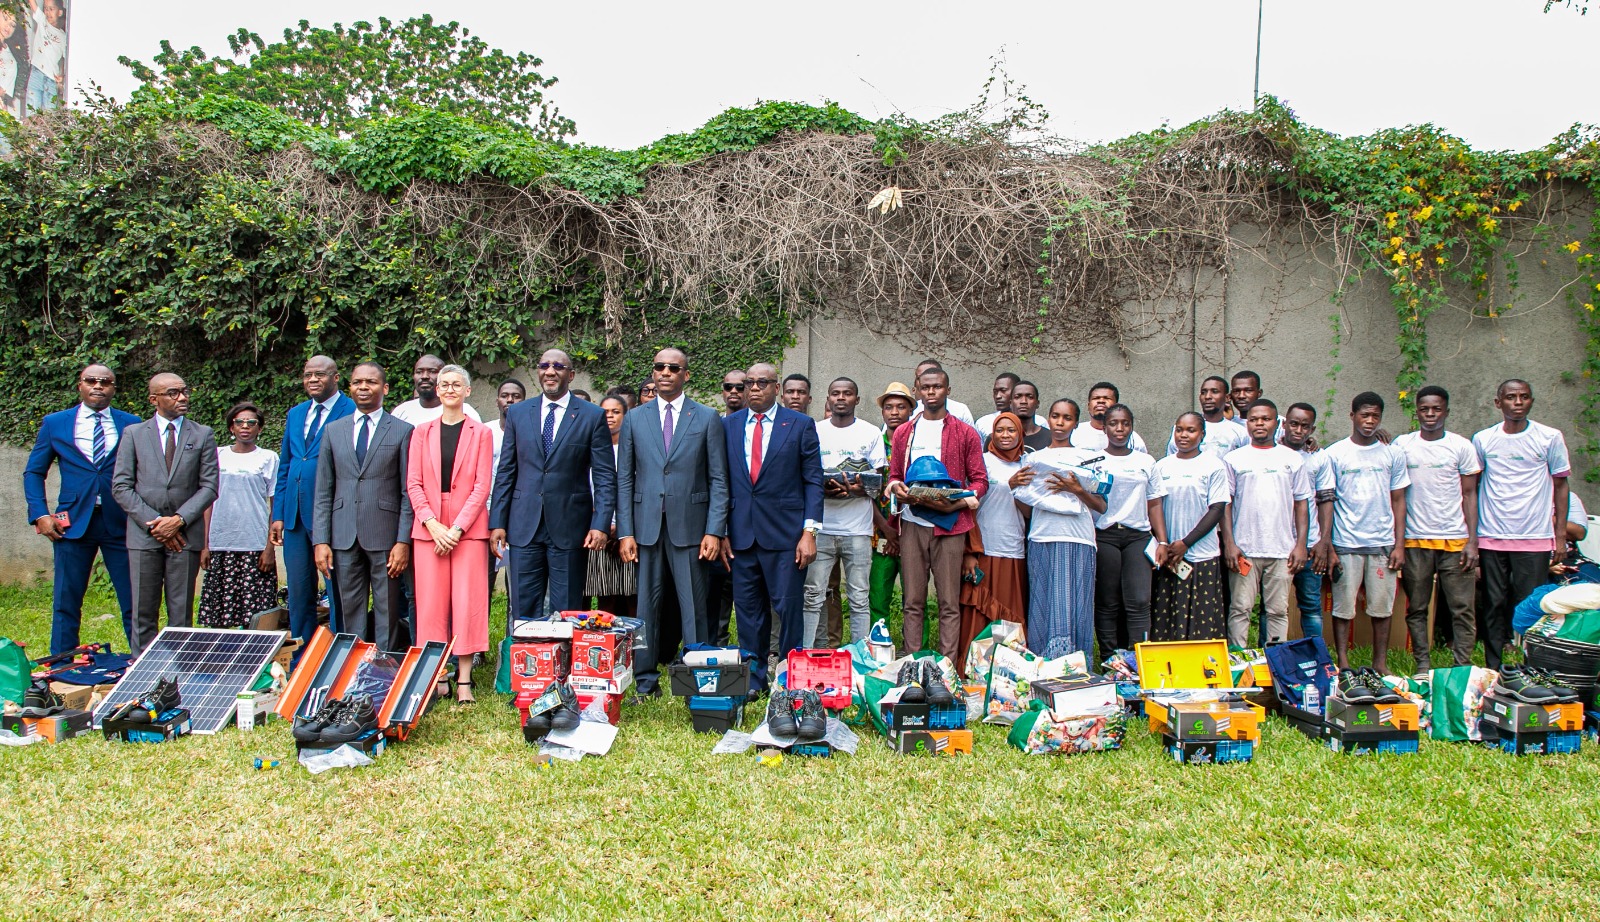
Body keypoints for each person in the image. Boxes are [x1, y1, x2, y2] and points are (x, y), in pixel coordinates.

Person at [617, 348, 729, 696]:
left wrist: (714, 529)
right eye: (659, 367)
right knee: (646, 606)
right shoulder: (636, 418)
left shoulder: (707, 417)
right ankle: (645, 682)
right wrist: (626, 532)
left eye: (673, 368)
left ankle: (699, 681)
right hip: (646, 527)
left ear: (686, 375)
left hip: (692, 527)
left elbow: (718, 479)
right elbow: (625, 478)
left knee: (693, 606)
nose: (665, 372)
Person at [490, 349, 615, 624]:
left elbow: (605, 476)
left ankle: (563, 664)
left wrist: (601, 524)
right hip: (524, 525)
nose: (550, 371)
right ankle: (527, 666)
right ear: (538, 372)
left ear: (570, 375)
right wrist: (497, 521)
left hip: (571, 527)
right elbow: (506, 470)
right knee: (524, 607)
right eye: (544, 365)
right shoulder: (519, 413)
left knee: (567, 609)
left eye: (558, 366)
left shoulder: (592, 416)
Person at [24, 364, 141, 654]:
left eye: (106, 382)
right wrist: (41, 515)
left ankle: (145, 667)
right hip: (72, 525)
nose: (98, 386)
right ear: (80, 385)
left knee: (135, 602)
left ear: (114, 388)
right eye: (91, 380)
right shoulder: (56, 423)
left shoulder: (133, 424)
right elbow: (34, 472)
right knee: (66, 600)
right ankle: (61, 667)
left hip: (123, 523)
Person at [722, 363, 824, 690]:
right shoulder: (729, 425)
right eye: (747, 383)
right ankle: (754, 681)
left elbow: (813, 482)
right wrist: (721, 530)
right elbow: (720, 481)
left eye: (761, 383)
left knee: (788, 608)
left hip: (786, 535)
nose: (753, 389)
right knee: (749, 612)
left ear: (776, 388)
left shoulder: (799, 424)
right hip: (741, 535)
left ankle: (789, 678)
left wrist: (810, 533)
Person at [111, 374, 219, 655]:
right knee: (142, 610)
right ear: (154, 400)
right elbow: (121, 486)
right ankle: (142, 673)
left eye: (184, 391)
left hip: (185, 536)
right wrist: (155, 525)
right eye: (173, 393)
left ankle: (179, 675)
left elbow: (209, 487)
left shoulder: (202, 434)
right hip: (144, 536)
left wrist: (178, 521)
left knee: (181, 612)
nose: (182, 398)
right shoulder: (134, 434)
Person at [407, 365, 494, 703]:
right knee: (430, 604)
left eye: (456, 384)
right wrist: (432, 523)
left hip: (467, 529)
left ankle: (465, 680)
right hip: (429, 528)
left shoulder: (480, 433)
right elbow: (413, 483)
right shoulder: (421, 432)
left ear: (468, 391)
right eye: (444, 384)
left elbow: (482, 485)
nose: (449, 389)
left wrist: (456, 527)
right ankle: (437, 676)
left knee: (468, 601)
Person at [312, 363, 414, 650]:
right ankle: (352, 670)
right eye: (357, 382)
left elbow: (408, 491)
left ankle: (386, 668)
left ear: (385, 388)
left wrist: (402, 540)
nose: (363, 387)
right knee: (349, 608)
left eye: (371, 382)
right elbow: (323, 490)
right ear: (350, 388)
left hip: (385, 535)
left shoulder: (403, 431)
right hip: (343, 536)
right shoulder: (334, 431)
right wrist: (321, 540)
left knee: (388, 609)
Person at [888, 368, 988, 659]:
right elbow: (894, 475)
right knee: (913, 601)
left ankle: (946, 668)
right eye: (926, 387)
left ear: (948, 390)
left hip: (951, 526)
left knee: (948, 602)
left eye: (938, 387)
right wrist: (897, 487)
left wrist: (957, 504)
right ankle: (911, 663)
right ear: (917, 390)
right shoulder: (904, 432)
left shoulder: (965, 433)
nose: (931, 392)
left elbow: (980, 481)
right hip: (912, 522)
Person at [1473, 379, 1570, 671]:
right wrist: (1473, 537)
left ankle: (1532, 667)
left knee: (1532, 606)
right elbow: (1474, 487)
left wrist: (1560, 535)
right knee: (1493, 604)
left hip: (1535, 537)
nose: (1518, 402)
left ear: (1531, 401)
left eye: (1524, 397)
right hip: (1491, 536)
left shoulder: (1549, 437)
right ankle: (1493, 667)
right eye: (1511, 397)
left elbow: (1561, 484)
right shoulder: (1483, 439)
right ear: (1498, 402)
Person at [1312, 392, 1410, 673]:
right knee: (1343, 607)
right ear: (1352, 415)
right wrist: (1328, 545)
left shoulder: (1392, 453)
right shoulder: (1335, 453)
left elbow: (1399, 500)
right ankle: (1343, 661)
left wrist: (1399, 544)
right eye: (1364, 415)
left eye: (1375, 416)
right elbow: (1326, 501)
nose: (1369, 421)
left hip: (1382, 544)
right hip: (1346, 543)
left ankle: (1380, 662)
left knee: (1382, 607)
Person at [1393, 386, 1480, 671]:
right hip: (1415, 541)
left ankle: (1461, 667)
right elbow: (1395, 492)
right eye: (1424, 409)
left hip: (1455, 541)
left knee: (1462, 608)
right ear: (1416, 411)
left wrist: (1472, 542)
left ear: (1447, 412)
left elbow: (1470, 494)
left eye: (1437, 409)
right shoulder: (1402, 445)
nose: (1430, 414)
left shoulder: (1461, 446)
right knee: (1417, 608)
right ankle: (1422, 666)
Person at [271, 356, 354, 642]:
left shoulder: (351, 410)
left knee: (337, 589)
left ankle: (337, 652)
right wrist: (278, 513)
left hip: (331, 516)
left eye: (320, 374)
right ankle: (300, 652)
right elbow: (287, 463)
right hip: (294, 515)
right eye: (308, 375)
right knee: (298, 588)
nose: (313, 380)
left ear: (336, 377)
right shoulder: (296, 413)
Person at [1220, 399, 1310, 648]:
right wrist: (1229, 543)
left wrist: (1301, 545)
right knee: (1240, 608)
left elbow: (1302, 504)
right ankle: (1239, 663)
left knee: (1278, 611)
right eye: (1253, 419)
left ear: (1277, 423)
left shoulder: (1292, 459)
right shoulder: (1234, 459)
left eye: (1265, 419)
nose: (1259, 424)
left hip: (1282, 550)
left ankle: (1275, 664)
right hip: (1245, 549)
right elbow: (1225, 504)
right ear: (1247, 423)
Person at [803, 377, 886, 648]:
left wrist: (857, 489)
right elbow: (803, 476)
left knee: (859, 597)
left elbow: (879, 480)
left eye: (847, 393)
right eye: (835, 393)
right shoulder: (813, 429)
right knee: (813, 594)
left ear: (856, 400)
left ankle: (860, 656)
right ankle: (810, 653)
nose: (841, 398)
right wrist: (824, 490)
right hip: (821, 529)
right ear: (827, 398)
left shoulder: (870, 432)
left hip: (858, 530)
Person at [1016, 418, 1105, 659]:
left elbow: (1101, 505)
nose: (1060, 422)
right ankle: (1042, 664)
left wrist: (1076, 489)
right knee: (1042, 603)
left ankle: (1076, 666)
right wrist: (1019, 490)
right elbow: (1024, 502)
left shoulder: (1089, 458)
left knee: (1077, 603)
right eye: (1055, 416)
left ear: (1075, 423)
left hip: (1079, 538)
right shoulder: (1033, 459)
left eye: (1067, 418)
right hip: (1043, 536)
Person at [1092, 404, 1167, 659]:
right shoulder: (1095, 460)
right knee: (1107, 603)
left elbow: (1154, 502)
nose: (1119, 428)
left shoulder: (1146, 462)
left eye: (1125, 423)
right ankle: (1111, 661)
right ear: (1105, 427)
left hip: (1138, 536)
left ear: (1132, 426)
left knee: (1139, 601)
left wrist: (1163, 541)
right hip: (1106, 535)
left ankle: (1139, 663)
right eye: (1113, 423)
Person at [959, 412, 1030, 672]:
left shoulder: (1027, 464)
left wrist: (1017, 488)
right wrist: (969, 551)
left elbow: (1031, 511)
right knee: (980, 613)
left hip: (1014, 548)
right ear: (992, 434)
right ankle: (973, 670)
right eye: (1000, 430)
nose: (1005, 435)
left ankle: (1007, 675)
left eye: (1011, 430)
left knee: (1010, 615)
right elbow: (969, 506)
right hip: (984, 546)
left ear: (1020, 433)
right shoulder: (982, 462)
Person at [197, 404, 280, 630]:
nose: (245, 427)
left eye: (251, 423)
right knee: (219, 614)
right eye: (239, 422)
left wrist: (269, 549)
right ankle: (222, 655)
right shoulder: (217, 455)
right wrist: (204, 545)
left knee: (256, 617)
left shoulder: (269, 458)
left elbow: (275, 505)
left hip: (254, 545)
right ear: (231, 428)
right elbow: (206, 502)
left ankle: (255, 658)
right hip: (220, 544)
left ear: (259, 428)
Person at [1151, 413, 1231, 641]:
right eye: (1179, 429)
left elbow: (1216, 509)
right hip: (1169, 556)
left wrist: (1186, 543)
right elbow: (1154, 507)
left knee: (1202, 619)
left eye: (1190, 430)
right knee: (1168, 618)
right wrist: (1164, 543)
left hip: (1202, 553)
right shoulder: (1162, 466)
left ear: (1202, 434)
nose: (1183, 435)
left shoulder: (1213, 466)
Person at [1278, 403, 1327, 642]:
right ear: (1284, 424)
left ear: (1312, 429)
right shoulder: (1271, 451)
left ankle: (1317, 658)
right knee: (1274, 607)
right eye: (1294, 424)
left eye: (1305, 426)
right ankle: (1270, 658)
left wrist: (1323, 542)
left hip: (1309, 544)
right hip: (1277, 543)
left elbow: (1326, 500)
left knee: (1310, 605)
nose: (1298, 430)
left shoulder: (1318, 457)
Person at [869, 383, 915, 628]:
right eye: (889, 407)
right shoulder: (874, 443)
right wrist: (887, 530)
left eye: (901, 407)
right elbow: (867, 493)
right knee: (878, 595)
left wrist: (901, 532)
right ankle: (878, 649)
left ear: (911, 410)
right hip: (880, 534)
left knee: (914, 598)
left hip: (912, 532)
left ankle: (916, 650)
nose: (894, 412)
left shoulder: (917, 445)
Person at [588, 395, 638, 618]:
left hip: (628, 529)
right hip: (598, 527)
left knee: (630, 594)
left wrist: (621, 523)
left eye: (616, 411)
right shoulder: (592, 447)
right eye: (605, 411)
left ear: (625, 416)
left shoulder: (634, 447)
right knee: (605, 595)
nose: (609, 416)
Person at [392, 354, 482, 425]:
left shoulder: (465, 411)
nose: (424, 376)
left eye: (432, 371)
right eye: (419, 372)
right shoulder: (401, 412)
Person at [1168, 376, 1247, 458]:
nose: (1207, 396)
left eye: (1215, 392)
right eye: (1203, 392)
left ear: (1227, 398)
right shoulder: (1182, 429)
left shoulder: (1239, 432)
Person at [1073, 383, 1149, 453]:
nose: (1101, 401)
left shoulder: (1132, 438)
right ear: (1088, 406)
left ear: (1116, 405)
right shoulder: (1074, 433)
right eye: (1096, 398)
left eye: (1107, 398)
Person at [23, 0, 65, 115]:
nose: (48, 12)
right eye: (46, 8)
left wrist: (62, 76)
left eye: (52, 9)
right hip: (36, 73)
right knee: (31, 113)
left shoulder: (64, 37)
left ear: (60, 12)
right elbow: (33, 4)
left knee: (50, 115)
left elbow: (64, 60)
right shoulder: (42, 22)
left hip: (51, 79)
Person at [908, 359, 977, 427]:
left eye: (937, 386)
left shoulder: (961, 410)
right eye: (920, 377)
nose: (931, 391)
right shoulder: (911, 410)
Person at [484, 379, 527, 471]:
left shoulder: (532, 433)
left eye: (516, 396)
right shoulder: (485, 430)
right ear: (497, 402)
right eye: (504, 396)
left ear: (525, 402)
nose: (510, 400)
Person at [974, 372, 1021, 438]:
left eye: (1003, 390)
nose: (998, 396)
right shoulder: (983, 423)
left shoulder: (1037, 423)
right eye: (995, 392)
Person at [1009, 381, 1052, 451]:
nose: (1023, 401)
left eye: (1030, 397)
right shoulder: (996, 438)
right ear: (1010, 403)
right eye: (1017, 397)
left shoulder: (1050, 437)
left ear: (1037, 404)